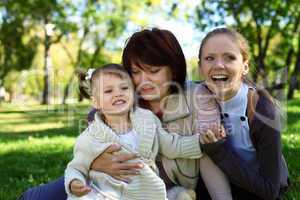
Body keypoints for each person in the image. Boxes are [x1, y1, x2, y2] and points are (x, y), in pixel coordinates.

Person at [18, 28, 231, 200]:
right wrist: (95, 162)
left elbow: (203, 151)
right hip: (103, 183)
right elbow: (95, 122)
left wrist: (204, 143)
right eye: (135, 72)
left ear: (173, 68)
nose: (142, 81)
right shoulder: (127, 101)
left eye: (153, 71)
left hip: (155, 190)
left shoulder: (196, 98)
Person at [64, 63, 203, 200]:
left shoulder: (147, 119)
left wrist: (201, 142)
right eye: (108, 91)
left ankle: (176, 195)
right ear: (96, 103)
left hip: (146, 191)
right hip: (106, 192)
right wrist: (74, 182)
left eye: (124, 88)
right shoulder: (91, 136)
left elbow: (170, 145)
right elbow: (75, 168)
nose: (118, 93)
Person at [197, 27, 289, 200]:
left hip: (258, 184)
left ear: (244, 66)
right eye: (210, 58)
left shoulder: (263, 110)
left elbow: (270, 191)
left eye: (229, 57)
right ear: (200, 67)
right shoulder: (196, 94)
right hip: (224, 178)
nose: (218, 65)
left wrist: (217, 150)